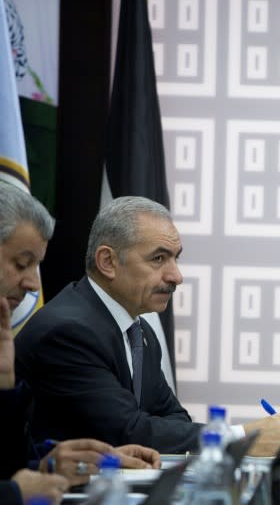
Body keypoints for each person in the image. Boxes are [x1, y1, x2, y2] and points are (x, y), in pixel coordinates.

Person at [15, 195, 280, 457]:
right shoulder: (67, 332)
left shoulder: (140, 331)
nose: (176, 276)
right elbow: (126, 431)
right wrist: (239, 437)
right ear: (108, 261)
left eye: (176, 258)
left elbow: (173, 418)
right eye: (159, 259)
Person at [0, 182, 160, 504]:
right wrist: (15, 494)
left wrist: (47, 464)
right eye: (21, 263)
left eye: (36, 266)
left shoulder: (142, 333)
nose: (33, 284)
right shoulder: (68, 331)